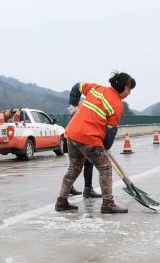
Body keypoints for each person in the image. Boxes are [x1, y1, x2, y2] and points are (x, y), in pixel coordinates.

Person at [56, 73, 136, 214]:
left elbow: (77, 86)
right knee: (105, 167)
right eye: (129, 89)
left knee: (74, 169)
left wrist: (74, 107)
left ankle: (61, 201)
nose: (129, 93)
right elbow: (110, 133)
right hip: (88, 137)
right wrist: (104, 148)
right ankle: (108, 204)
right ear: (123, 87)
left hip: (72, 133)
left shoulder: (96, 88)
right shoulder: (117, 104)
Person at [66, 82, 118, 198]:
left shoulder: (84, 105)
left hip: (74, 136)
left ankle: (84, 189)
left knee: (78, 165)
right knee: (78, 165)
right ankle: (85, 189)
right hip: (83, 137)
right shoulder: (87, 107)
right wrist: (104, 146)